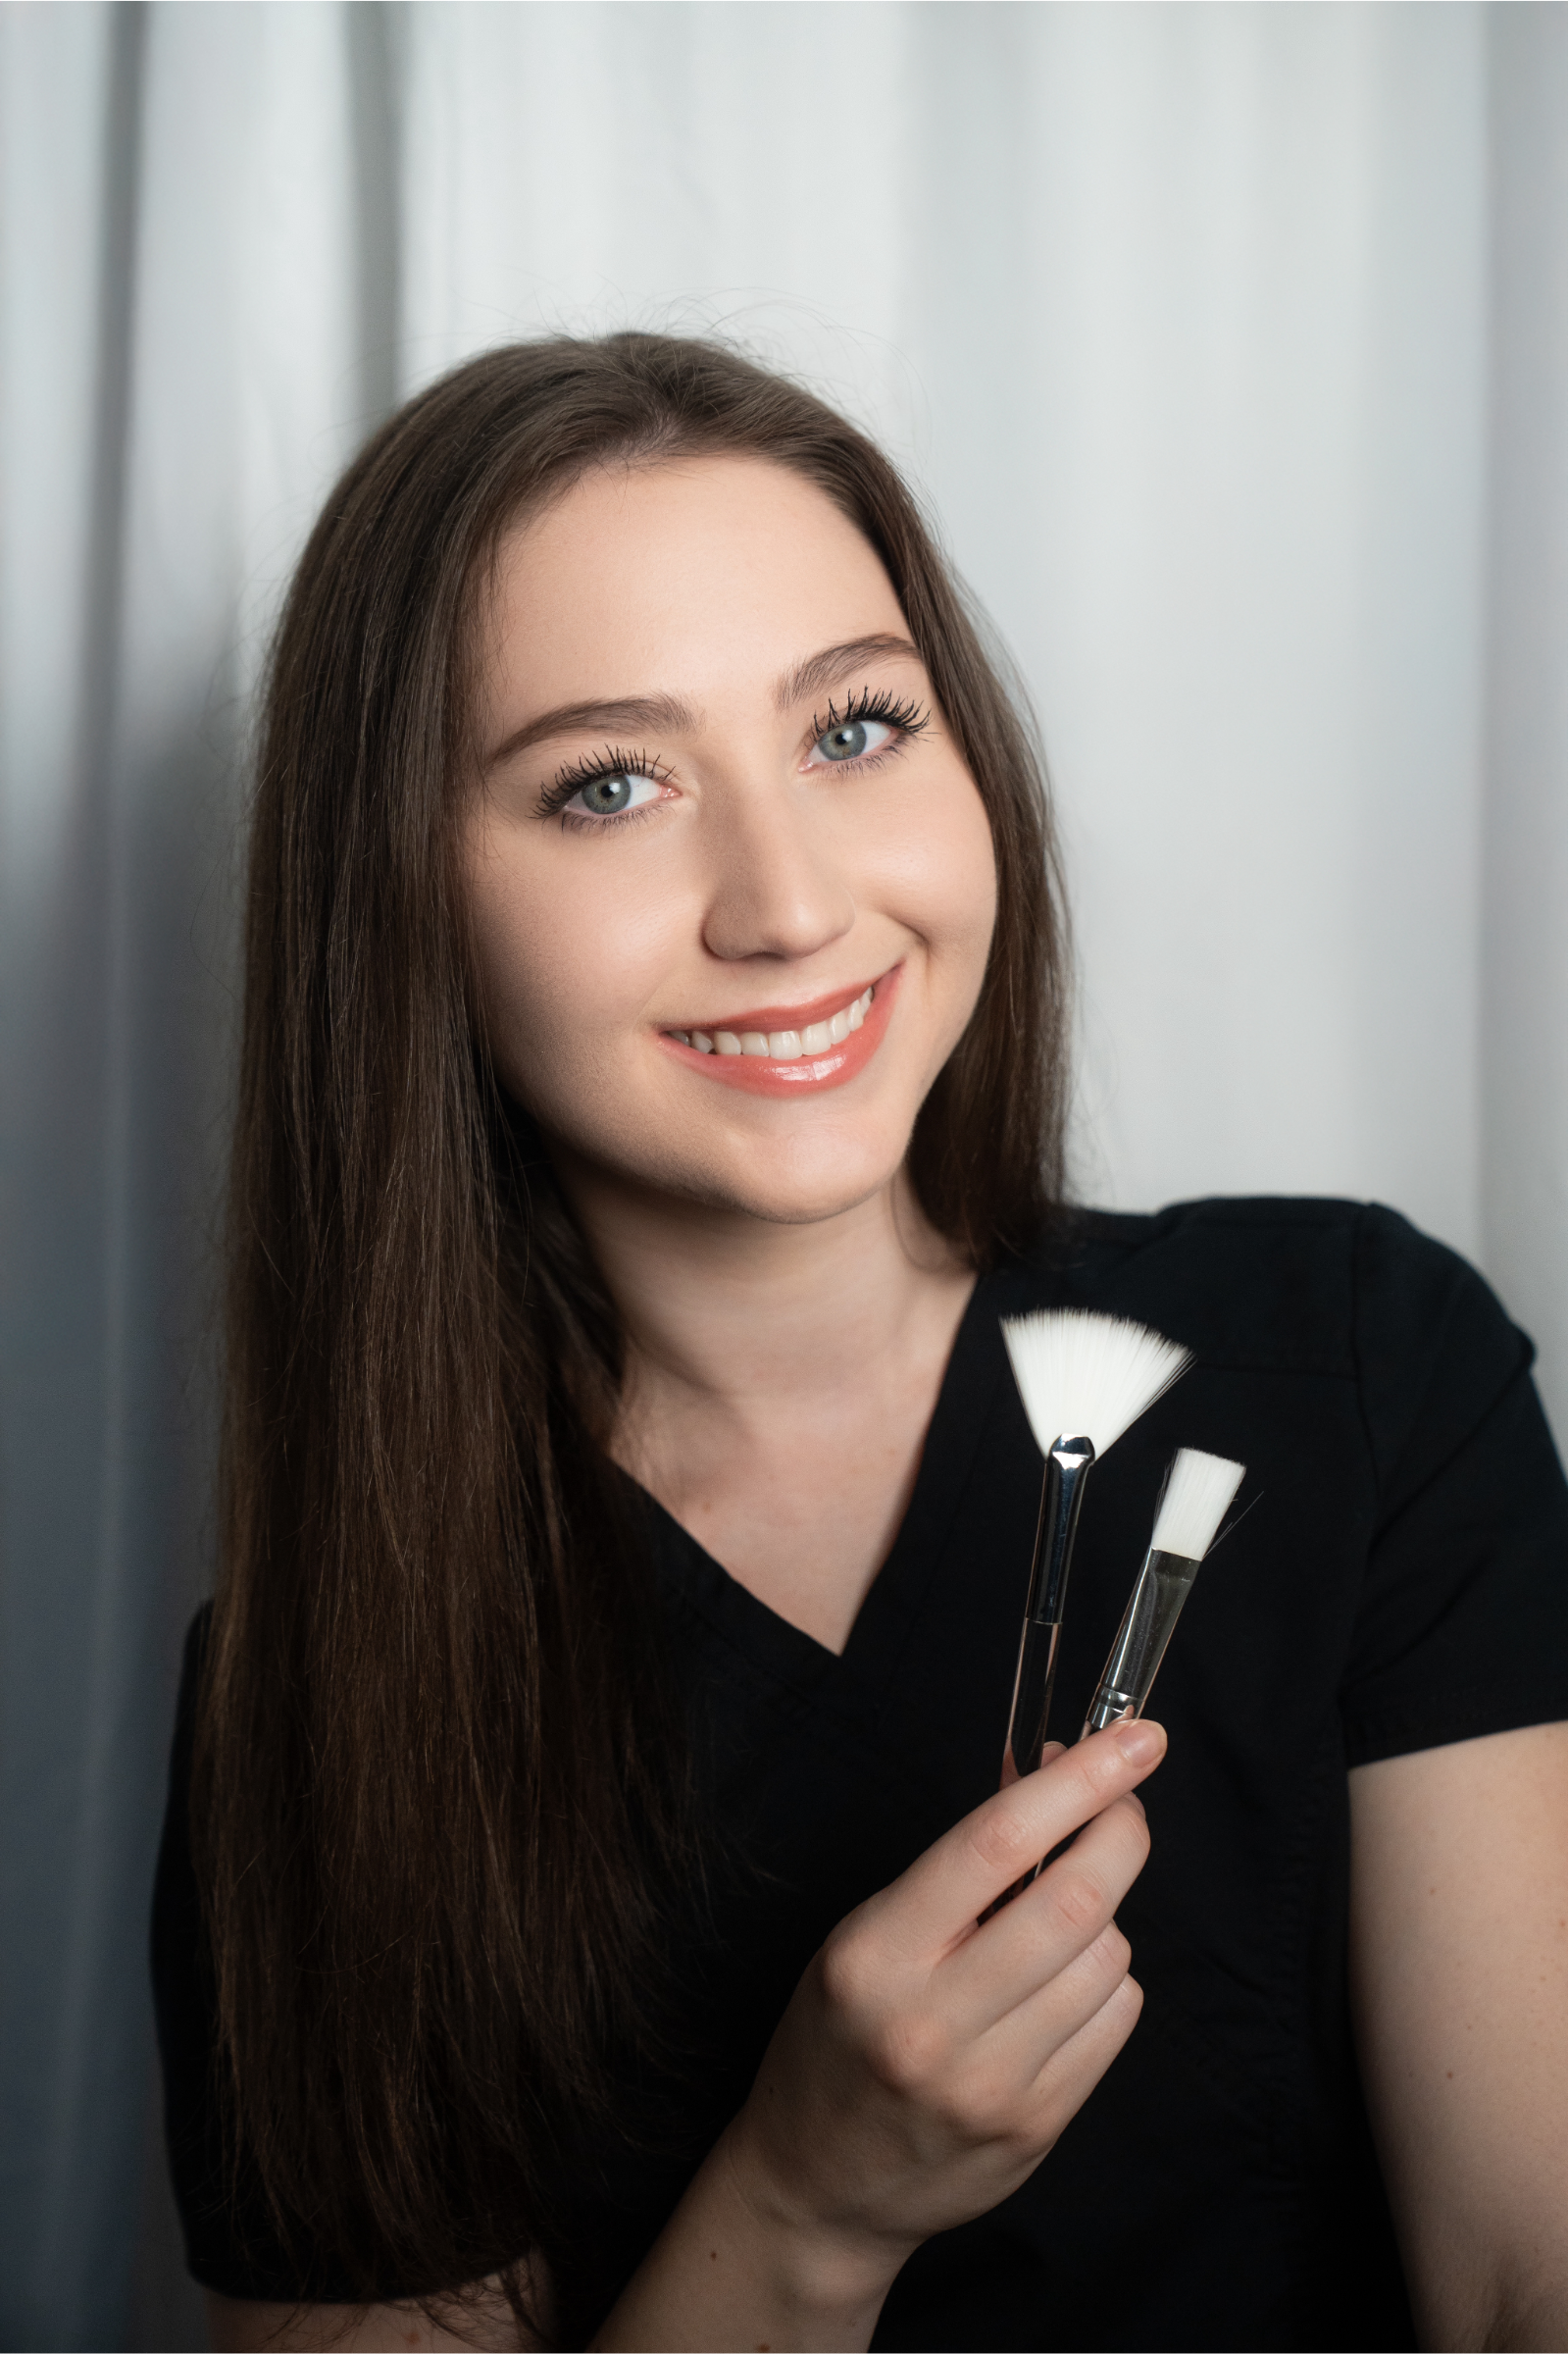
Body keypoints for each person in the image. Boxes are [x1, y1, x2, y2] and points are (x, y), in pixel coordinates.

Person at [152, 333, 1568, 2354]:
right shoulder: (321, 1680)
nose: (791, 905)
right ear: (402, 913)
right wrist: (807, 2207)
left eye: (851, 731)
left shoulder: (1360, 1369)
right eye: (609, 784)